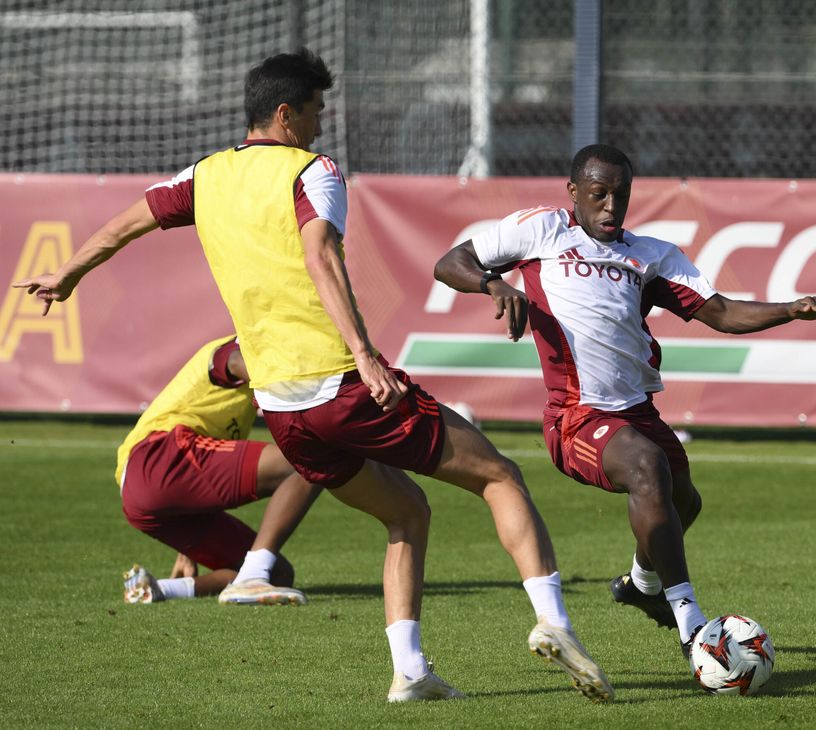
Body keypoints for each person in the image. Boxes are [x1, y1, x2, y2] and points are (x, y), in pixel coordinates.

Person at [15, 49, 611, 703]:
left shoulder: (205, 176)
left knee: (407, 511)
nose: (323, 123)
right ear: (285, 113)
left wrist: (68, 275)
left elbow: (128, 223)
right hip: (339, 383)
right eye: (317, 110)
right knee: (499, 476)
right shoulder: (313, 172)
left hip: (281, 406)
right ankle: (555, 622)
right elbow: (320, 253)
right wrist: (363, 352)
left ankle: (410, 672)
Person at [434, 143, 816, 661]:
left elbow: (720, 312)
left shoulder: (651, 255)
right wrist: (495, 285)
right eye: (599, 194)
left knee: (684, 502)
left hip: (637, 412)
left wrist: (790, 308)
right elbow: (451, 262)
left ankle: (641, 584)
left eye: (620, 195)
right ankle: (693, 628)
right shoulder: (542, 230)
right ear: (574, 192)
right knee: (649, 469)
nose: (610, 206)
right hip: (575, 416)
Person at [119, 335, 320, 606]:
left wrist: (187, 549)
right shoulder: (242, 346)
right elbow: (232, 361)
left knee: (278, 573)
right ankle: (252, 577)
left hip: (145, 493)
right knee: (311, 461)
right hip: (160, 456)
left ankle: (159, 589)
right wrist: (290, 386)